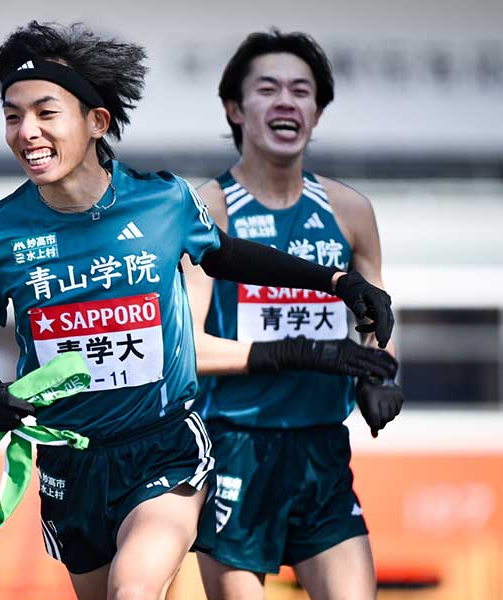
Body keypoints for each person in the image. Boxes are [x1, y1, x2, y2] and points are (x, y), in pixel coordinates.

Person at [0, 21, 395, 600]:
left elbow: (228, 257)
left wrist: (337, 281)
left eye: (46, 113)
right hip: (69, 463)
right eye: (12, 116)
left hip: (166, 446)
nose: (27, 132)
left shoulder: (163, 201)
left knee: (134, 591)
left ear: (96, 122)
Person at [179, 29, 405, 600]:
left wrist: (380, 374)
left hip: (322, 451)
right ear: (235, 108)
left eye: (302, 91)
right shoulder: (208, 210)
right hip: (234, 447)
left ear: (317, 112)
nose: (287, 101)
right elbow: (188, 349)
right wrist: (298, 353)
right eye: (268, 88)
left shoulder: (351, 211)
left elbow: (377, 318)